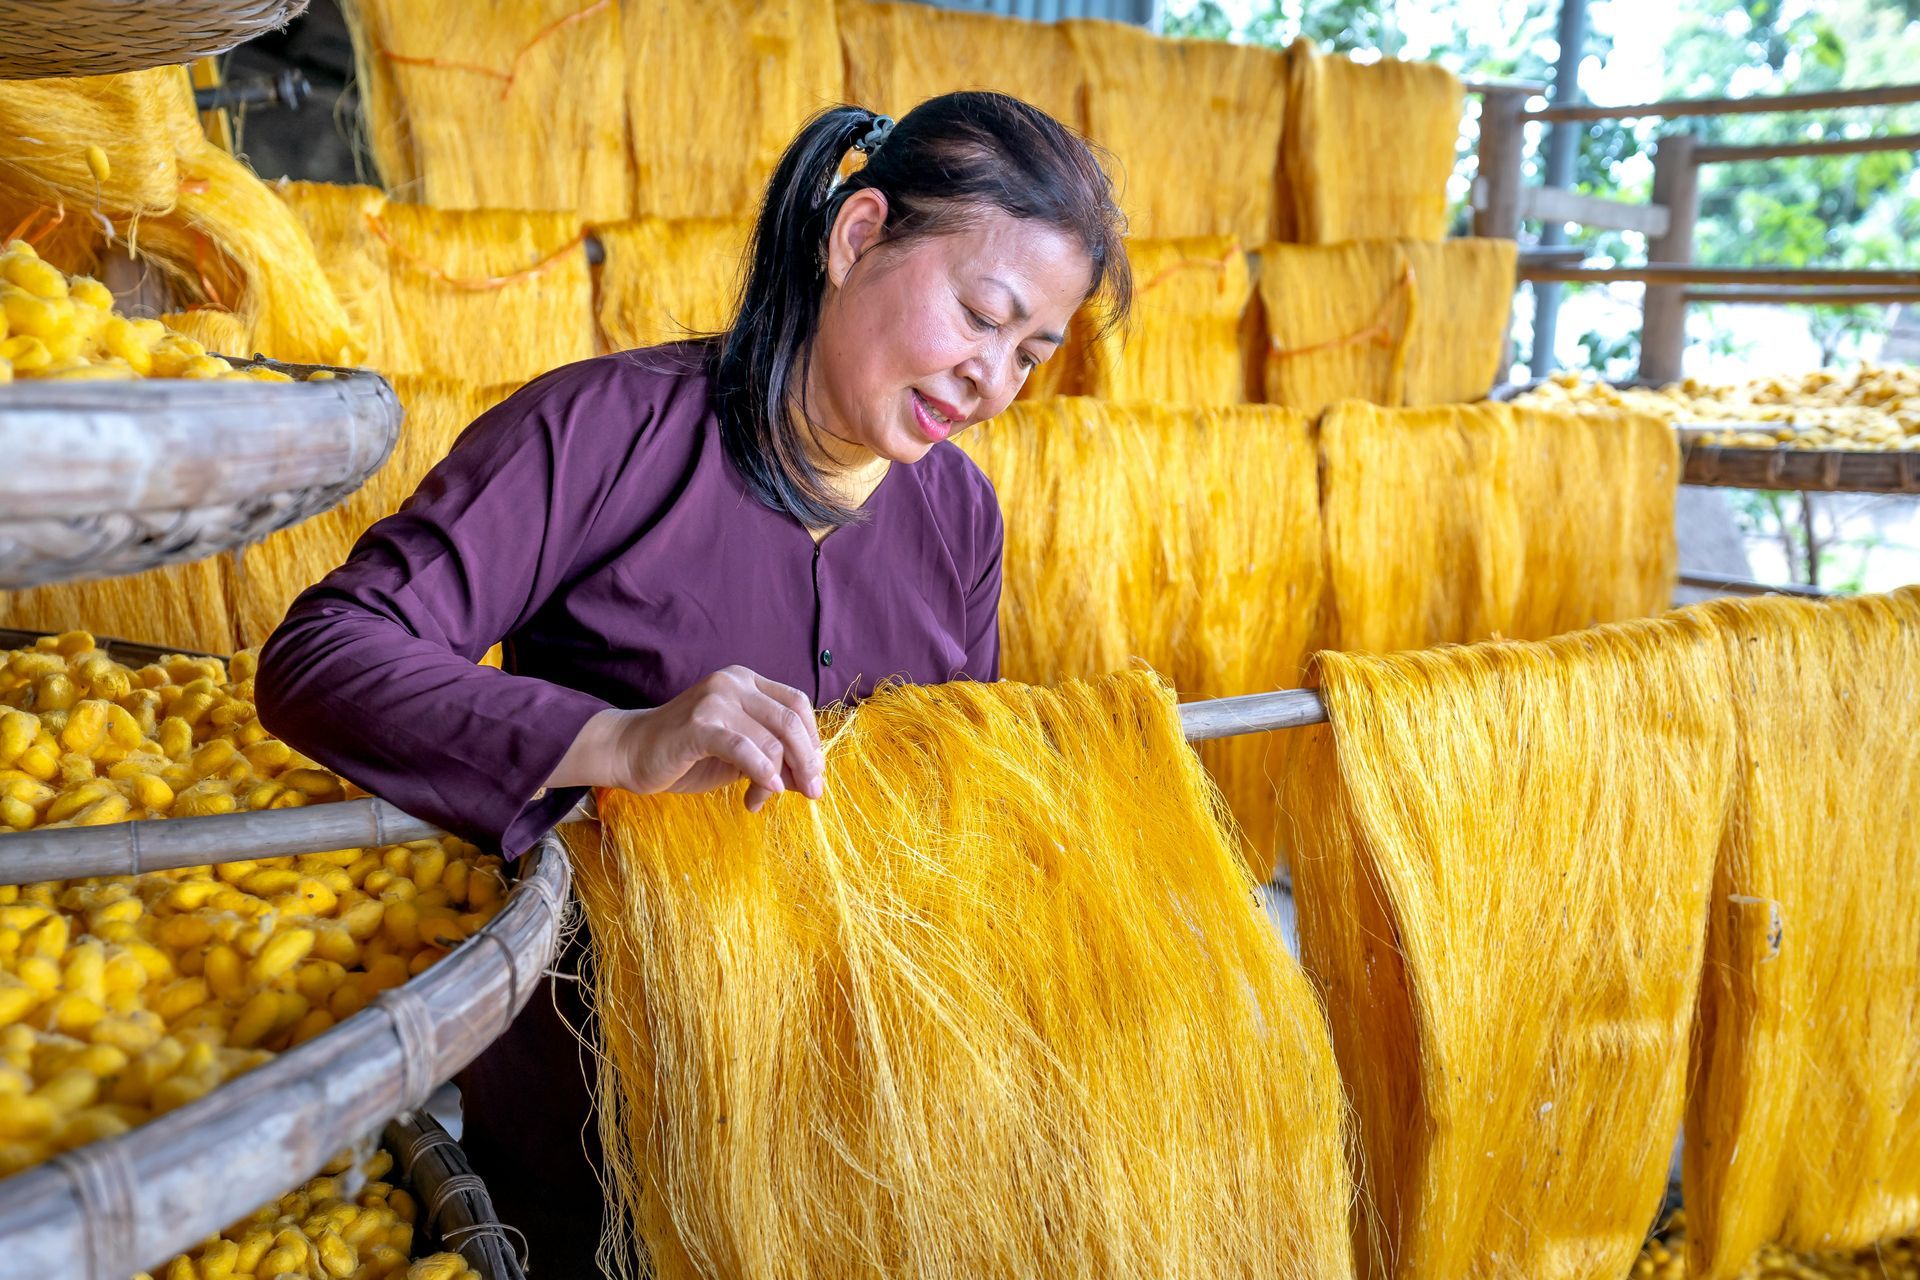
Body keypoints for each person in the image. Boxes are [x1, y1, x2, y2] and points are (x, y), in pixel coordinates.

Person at [255, 91, 1130, 1276]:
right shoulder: (601, 431)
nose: (992, 381)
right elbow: (327, 652)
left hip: (847, 1119)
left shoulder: (960, 513)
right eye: (982, 316)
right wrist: (619, 740)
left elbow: (945, 797)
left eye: (1031, 353)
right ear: (857, 235)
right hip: (594, 1104)